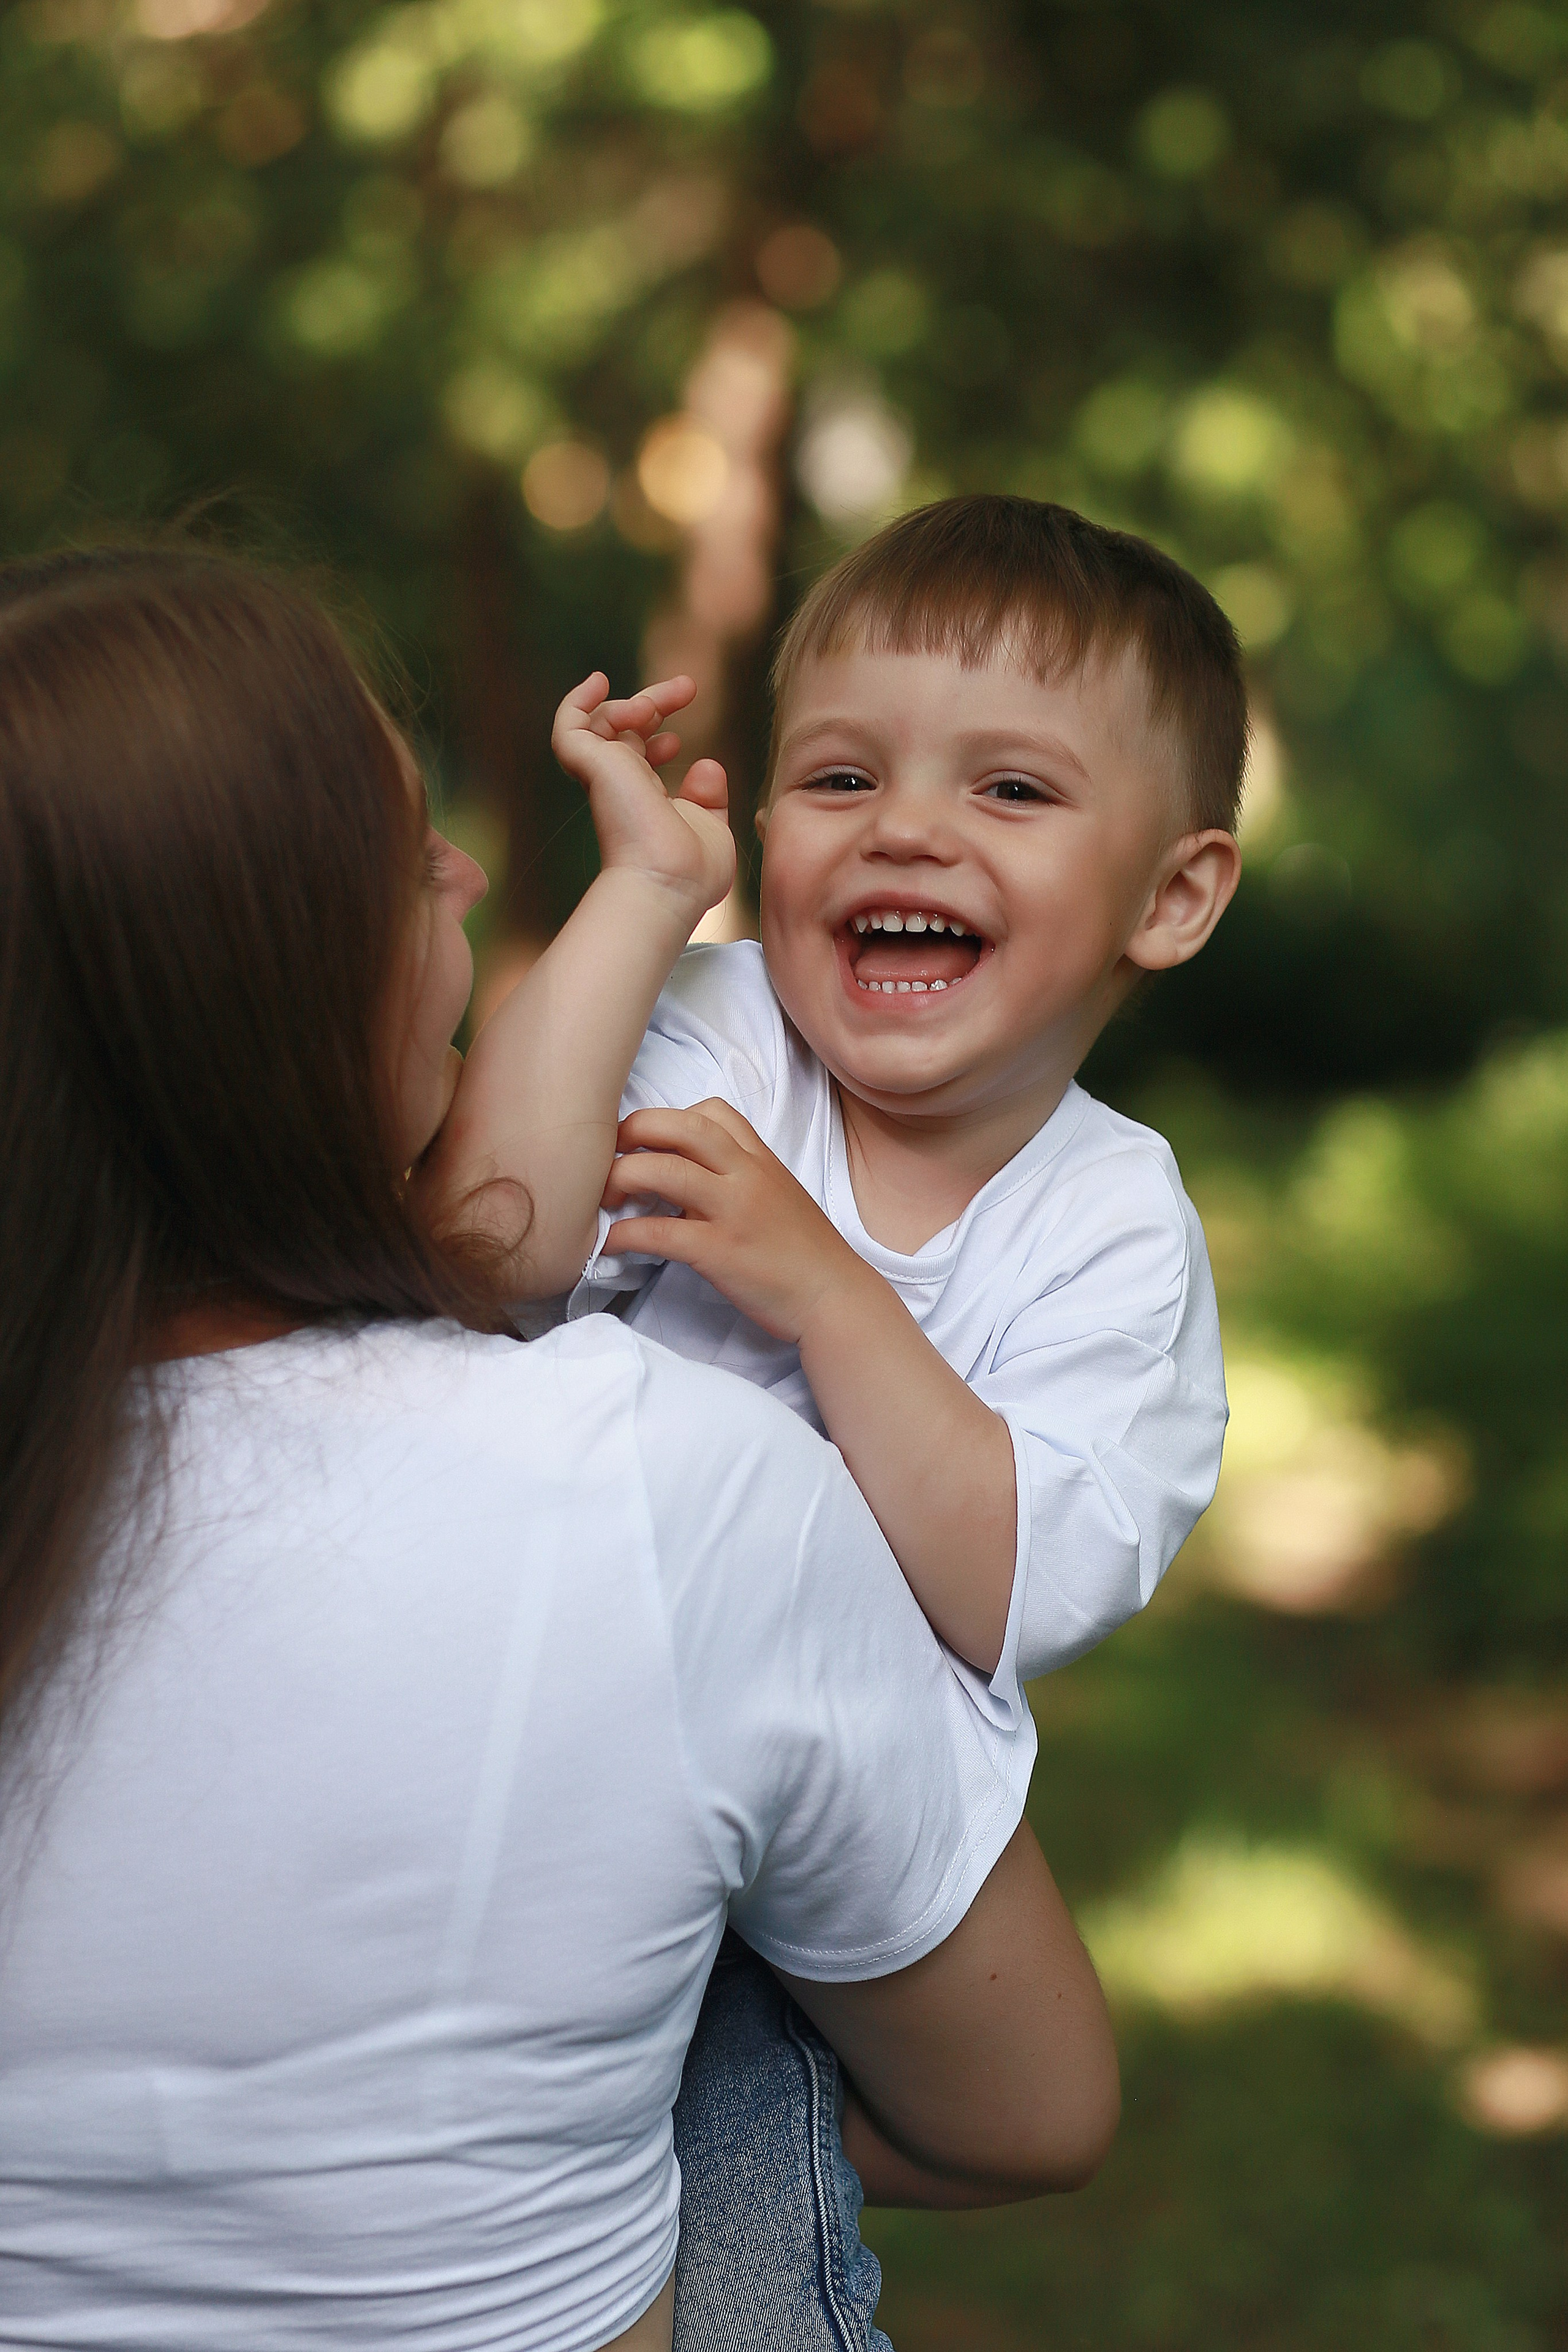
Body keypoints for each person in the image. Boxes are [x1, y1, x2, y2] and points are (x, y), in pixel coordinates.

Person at [0, 548, 1120, 2352]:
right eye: (400, 855)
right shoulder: (664, 1486)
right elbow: (1028, 2113)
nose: (459, 869)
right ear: (265, 985)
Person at [428, 494, 1245, 2340]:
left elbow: (1018, 1586)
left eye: (1012, 790)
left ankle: (733, 2140)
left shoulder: (1113, 1228)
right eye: (840, 777)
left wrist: (826, 1290)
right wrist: (645, 898)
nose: (907, 828)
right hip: (521, 1760)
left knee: (795, 2222)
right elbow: (482, 1246)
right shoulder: (720, 1027)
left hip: (813, 1862)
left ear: (1173, 896)